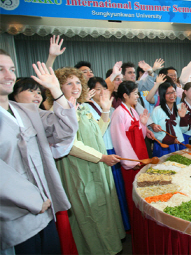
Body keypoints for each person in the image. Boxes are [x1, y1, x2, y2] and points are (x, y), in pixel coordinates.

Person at [0, 50, 78, 255]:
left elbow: (65, 130)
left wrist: (55, 90)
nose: (9, 76)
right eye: (0, 70)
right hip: (14, 215)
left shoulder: (25, 111)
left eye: (12, 69)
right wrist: (34, 200)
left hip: (45, 208)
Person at [47, 67, 125, 254]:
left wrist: (105, 110)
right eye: (68, 83)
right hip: (78, 169)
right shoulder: (56, 112)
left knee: (102, 209)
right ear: (57, 87)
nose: (75, 86)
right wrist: (102, 157)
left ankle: (109, 247)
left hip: (96, 165)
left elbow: (97, 133)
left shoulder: (82, 106)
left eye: (77, 82)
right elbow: (71, 146)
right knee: (88, 212)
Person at [85, 77, 131, 231]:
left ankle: (123, 224)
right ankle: (113, 229)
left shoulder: (110, 107)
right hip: (100, 153)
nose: (102, 92)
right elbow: (96, 134)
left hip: (113, 150)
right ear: (89, 92)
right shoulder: (86, 109)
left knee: (118, 191)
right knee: (107, 194)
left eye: (104, 88)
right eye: (97, 89)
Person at [110, 81, 150, 224]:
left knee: (142, 188)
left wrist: (143, 124)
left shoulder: (132, 110)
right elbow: (119, 140)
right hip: (131, 160)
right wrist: (130, 162)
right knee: (132, 191)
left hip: (139, 154)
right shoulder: (118, 113)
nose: (137, 96)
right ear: (125, 95)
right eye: (134, 93)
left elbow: (140, 136)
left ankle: (144, 219)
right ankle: (136, 223)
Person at [151, 82, 187, 157]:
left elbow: (184, 130)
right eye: (168, 93)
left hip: (178, 144)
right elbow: (152, 131)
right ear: (163, 95)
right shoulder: (157, 110)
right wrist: (167, 139)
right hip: (163, 146)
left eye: (173, 92)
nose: (172, 95)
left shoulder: (178, 109)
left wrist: (183, 118)